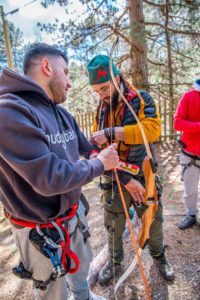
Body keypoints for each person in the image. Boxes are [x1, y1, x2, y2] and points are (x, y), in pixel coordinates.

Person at [0, 44, 120, 300]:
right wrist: (100, 165)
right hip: (38, 230)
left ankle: (83, 296)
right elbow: (49, 177)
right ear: (47, 67)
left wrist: (99, 156)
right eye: (66, 72)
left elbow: (86, 149)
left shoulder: (62, 114)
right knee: (51, 289)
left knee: (82, 267)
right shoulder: (9, 111)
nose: (70, 83)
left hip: (73, 216)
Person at [87, 54, 174, 284]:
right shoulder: (101, 110)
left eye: (104, 88)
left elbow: (152, 130)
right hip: (117, 178)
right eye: (97, 91)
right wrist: (125, 178)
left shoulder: (141, 99)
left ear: (117, 78)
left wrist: (111, 132)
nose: (102, 95)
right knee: (113, 224)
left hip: (144, 175)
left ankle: (159, 256)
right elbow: (99, 152)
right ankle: (114, 261)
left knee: (152, 219)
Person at [174, 79, 200, 230]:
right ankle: (191, 215)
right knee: (190, 189)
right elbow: (177, 123)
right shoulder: (189, 96)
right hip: (190, 153)